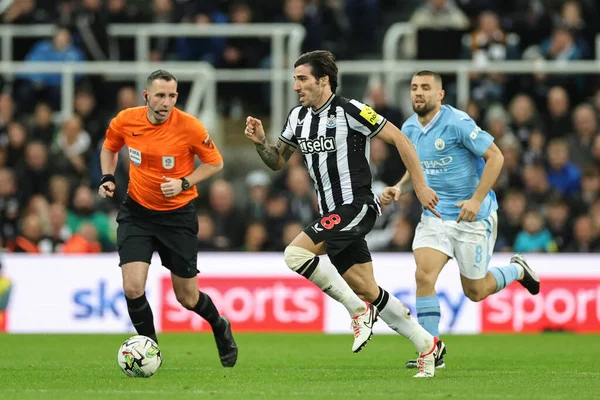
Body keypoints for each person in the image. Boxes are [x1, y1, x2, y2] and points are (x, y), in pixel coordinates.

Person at [244, 50, 443, 378]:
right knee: (368, 288)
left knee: (294, 253)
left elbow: (402, 140)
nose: (296, 86)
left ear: (323, 81)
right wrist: (261, 143)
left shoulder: (350, 110)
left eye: (302, 79)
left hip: (357, 206)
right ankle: (427, 346)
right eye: (295, 79)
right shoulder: (297, 118)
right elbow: (278, 161)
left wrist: (419, 187)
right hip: (331, 214)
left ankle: (356, 312)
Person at [380, 70, 540, 370]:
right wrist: (401, 186)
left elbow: (496, 157)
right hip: (436, 216)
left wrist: (477, 198)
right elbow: (416, 164)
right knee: (424, 277)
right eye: (414, 87)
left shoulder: (457, 122)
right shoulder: (409, 128)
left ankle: (517, 270)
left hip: (473, 218)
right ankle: (431, 349)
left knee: (476, 291)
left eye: (426, 88)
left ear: (440, 95)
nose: (418, 93)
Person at [98, 70, 238, 368]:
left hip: (177, 217)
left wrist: (185, 182)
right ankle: (151, 353)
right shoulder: (126, 120)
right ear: (146, 96)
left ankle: (219, 325)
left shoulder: (189, 126)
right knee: (133, 287)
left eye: (172, 95)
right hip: (137, 212)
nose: (166, 102)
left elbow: (215, 162)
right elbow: (110, 146)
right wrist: (108, 176)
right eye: (160, 95)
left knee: (187, 298)